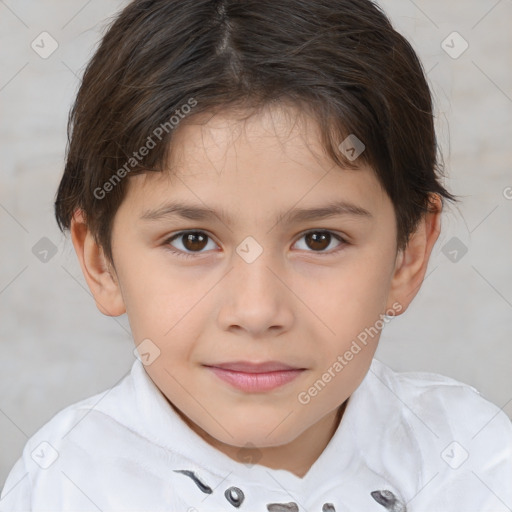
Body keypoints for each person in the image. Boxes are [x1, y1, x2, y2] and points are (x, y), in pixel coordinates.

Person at [1, 0, 511, 510]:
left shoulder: (473, 461)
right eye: (193, 240)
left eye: (319, 239)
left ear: (409, 255)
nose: (257, 311)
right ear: (100, 262)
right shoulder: (65, 484)